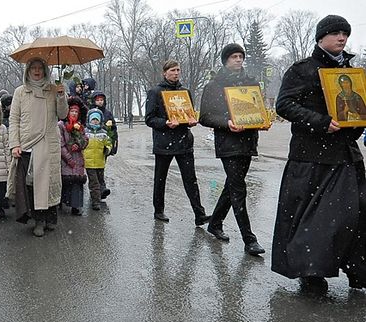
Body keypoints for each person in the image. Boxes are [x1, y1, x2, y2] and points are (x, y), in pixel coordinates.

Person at [272, 15, 366, 290]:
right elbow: (284, 105)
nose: (342, 38)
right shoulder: (303, 69)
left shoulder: (350, 71)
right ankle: (311, 272)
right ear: (321, 37)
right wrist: (321, 123)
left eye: (345, 33)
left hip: (347, 155)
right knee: (316, 220)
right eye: (336, 33)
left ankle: (357, 269)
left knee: (356, 214)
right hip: (312, 157)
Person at [198, 44, 266, 257]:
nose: (238, 60)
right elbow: (205, 117)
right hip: (228, 142)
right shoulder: (214, 86)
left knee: (231, 185)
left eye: (240, 56)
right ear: (225, 60)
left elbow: (257, 108)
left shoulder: (251, 83)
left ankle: (215, 223)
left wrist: (262, 120)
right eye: (233, 56)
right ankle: (249, 239)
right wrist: (227, 123)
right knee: (238, 188)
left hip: (247, 141)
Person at [7, 57, 68, 237]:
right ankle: (38, 220)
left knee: (48, 183)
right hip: (27, 145)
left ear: (45, 70)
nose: (36, 71)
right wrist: (14, 144)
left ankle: (50, 218)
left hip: (48, 143)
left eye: (40, 67)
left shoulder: (53, 89)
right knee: (32, 185)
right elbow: (14, 119)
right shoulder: (20, 92)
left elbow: (62, 114)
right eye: (33, 67)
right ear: (27, 70)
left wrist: (61, 96)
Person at [145, 59, 210, 226]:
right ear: (164, 72)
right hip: (164, 142)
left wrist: (191, 121)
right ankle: (158, 210)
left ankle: (199, 214)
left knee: (191, 179)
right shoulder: (155, 92)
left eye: (178, 70)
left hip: (183, 141)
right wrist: (165, 123)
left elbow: (189, 114)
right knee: (160, 178)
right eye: (172, 70)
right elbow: (150, 119)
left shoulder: (185, 92)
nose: (175, 73)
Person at [58, 97, 88, 215]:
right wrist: (68, 159)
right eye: (72, 111)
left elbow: (85, 140)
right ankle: (62, 202)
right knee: (65, 182)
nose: (74, 113)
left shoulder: (80, 126)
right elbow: (60, 144)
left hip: (78, 159)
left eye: (76, 111)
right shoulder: (61, 125)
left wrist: (79, 145)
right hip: (65, 160)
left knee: (76, 183)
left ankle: (75, 206)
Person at [90, 90, 118, 201]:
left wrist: (113, 145)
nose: (100, 102)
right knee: (92, 169)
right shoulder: (90, 112)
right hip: (92, 144)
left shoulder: (108, 113)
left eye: (101, 100)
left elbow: (113, 130)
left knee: (101, 167)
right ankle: (98, 188)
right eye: (97, 100)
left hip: (103, 145)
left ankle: (101, 187)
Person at [83, 108, 112, 211]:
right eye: (93, 120)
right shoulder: (85, 132)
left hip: (100, 162)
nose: (95, 121)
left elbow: (108, 144)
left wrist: (107, 149)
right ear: (89, 120)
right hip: (89, 163)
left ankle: (99, 194)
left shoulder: (103, 133)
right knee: (94, 182)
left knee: (100, 180)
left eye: (97, 120)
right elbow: (82, 144)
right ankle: (96, 201)